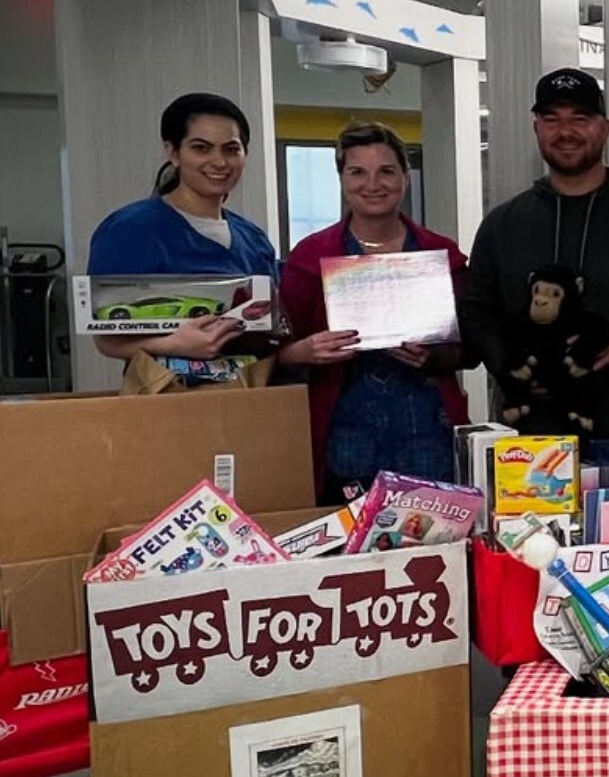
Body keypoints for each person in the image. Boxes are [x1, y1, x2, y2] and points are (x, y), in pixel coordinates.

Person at [460, 68, 609, 445]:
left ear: (605, 127)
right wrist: (510, 365)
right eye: (552, 119)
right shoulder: (503, 225)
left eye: (580, 118)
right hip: (527, 443)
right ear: (536, 128)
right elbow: (476, 311)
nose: (566, 132)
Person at [277, 122, 470, 503]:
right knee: (348, 549)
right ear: (341, 179)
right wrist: (304, 352)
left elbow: (471, 346)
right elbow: (273, 353)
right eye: (357, 172)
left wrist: (433, 357)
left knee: (438, 543)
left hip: (429, 431)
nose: (373, 184)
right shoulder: (310, 256)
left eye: (386, 171)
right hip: (343, 435)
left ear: (405, 177)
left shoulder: (442, 254)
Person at [87, 92, 280, 367]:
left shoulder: (253, 239)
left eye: (231, 149)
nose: (220, 162)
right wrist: (174, 345)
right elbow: (106, 339)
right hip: (171, 399)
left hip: (247, 393)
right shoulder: (131, 230)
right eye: (201, 148)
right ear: (174, 153)